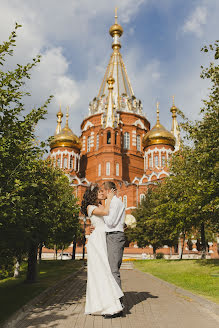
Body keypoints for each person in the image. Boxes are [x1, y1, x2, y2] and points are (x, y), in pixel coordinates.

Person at [81, 184, 124, 317]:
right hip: (97, 241)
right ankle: (104, 303)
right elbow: (106, 213)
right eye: (98, 192)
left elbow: (105, 221)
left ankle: (108, 301)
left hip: (102, 237)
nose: (101, 193)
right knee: (100, 270)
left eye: (102, 191)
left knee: (105, 270)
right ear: (92, 195)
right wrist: (109, 199)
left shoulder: (99, 206)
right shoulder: (91, 207)